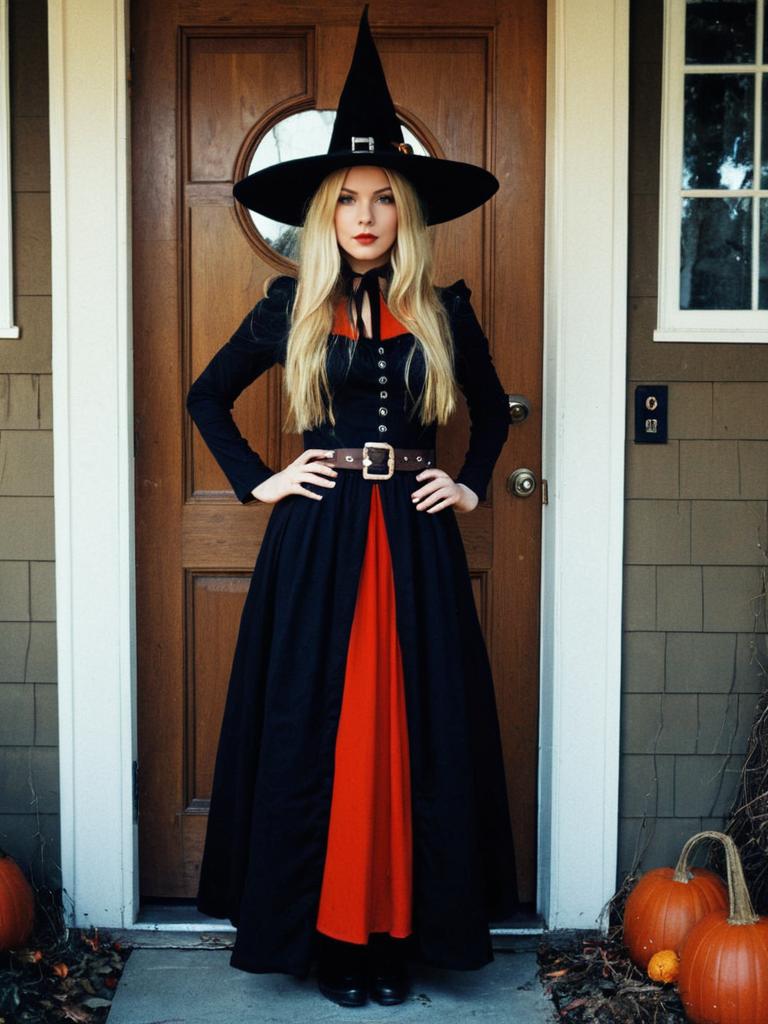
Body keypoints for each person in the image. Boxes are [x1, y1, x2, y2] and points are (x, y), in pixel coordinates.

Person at [186, 3, 519, 1009]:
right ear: (325, 214)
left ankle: (395, 937)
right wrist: (262, 477)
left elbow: (495, 415)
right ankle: (332, 939)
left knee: (409, 738)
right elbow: (206, 396)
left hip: (412, 545)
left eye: (384, 198)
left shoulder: (443, 307)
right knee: (322, 734)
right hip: (320, 542)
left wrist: (462, 481)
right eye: (349, 200)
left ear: (405, 212)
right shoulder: (290, 307)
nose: (367, 215)